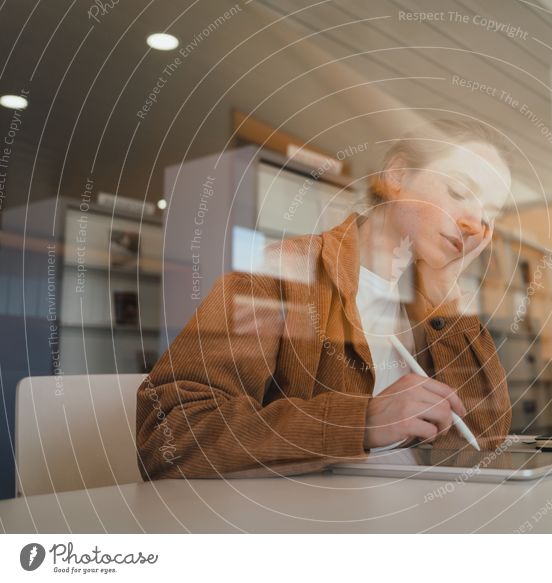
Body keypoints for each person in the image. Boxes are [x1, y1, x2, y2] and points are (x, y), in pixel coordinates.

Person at [136, 118, 513, 480]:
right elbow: (168, 435)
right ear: (397, 176)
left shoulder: (430, 305)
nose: (473, 224)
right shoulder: (280, 274)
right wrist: (359, 422)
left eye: (489, 215)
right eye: (461, 191)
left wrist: (444, 297)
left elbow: (481, 445)